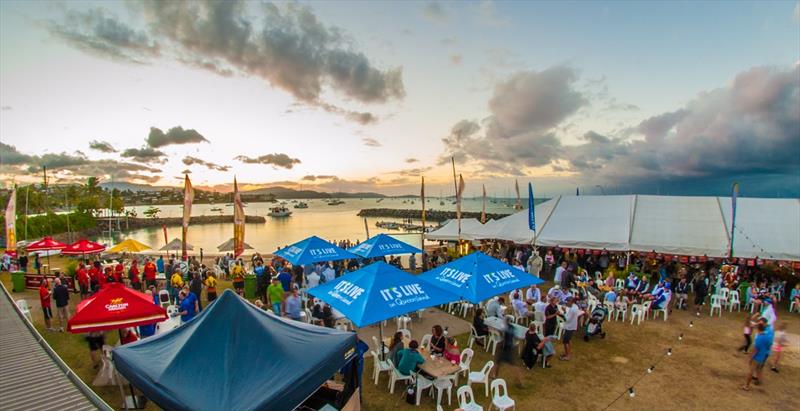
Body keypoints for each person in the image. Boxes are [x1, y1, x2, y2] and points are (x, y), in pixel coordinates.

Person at [742, 320, 773, 390]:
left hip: (756, 358)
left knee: (751, 372)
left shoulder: (759, 338)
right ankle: (759, 381)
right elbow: (769, 346)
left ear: (758, 329)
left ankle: (746, 386)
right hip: (762, 358)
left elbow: (755, 350)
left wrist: (750, 358)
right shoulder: (767, 337)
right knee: (759, 369)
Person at [560, 296, 581, 361]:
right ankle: (567, 353)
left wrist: (563, 312)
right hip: (572, 326)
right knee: (568, 340)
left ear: (570, 301)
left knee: (565, 341)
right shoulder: (575, 306)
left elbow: (567, 319)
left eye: (567, 301)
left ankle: (568, 355)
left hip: (569, 327)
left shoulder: (572, 310)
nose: (566, 303)